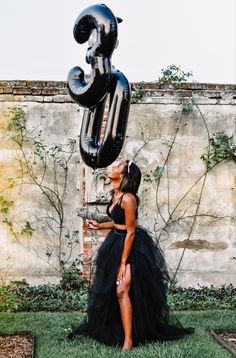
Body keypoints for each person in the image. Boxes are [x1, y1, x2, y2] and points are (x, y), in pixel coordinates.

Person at [69, 160, 194, 351]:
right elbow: (118, 222)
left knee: (121, 290)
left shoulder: (128, 198)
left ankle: (128, 340)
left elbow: (131, 231)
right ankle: (123, 331)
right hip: (115, 242)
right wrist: (100, 225)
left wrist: (123, 262)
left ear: (125, 175)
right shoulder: (115, 195)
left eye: (118, 166)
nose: (113, 167)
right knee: (115, 291)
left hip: (132, 247)